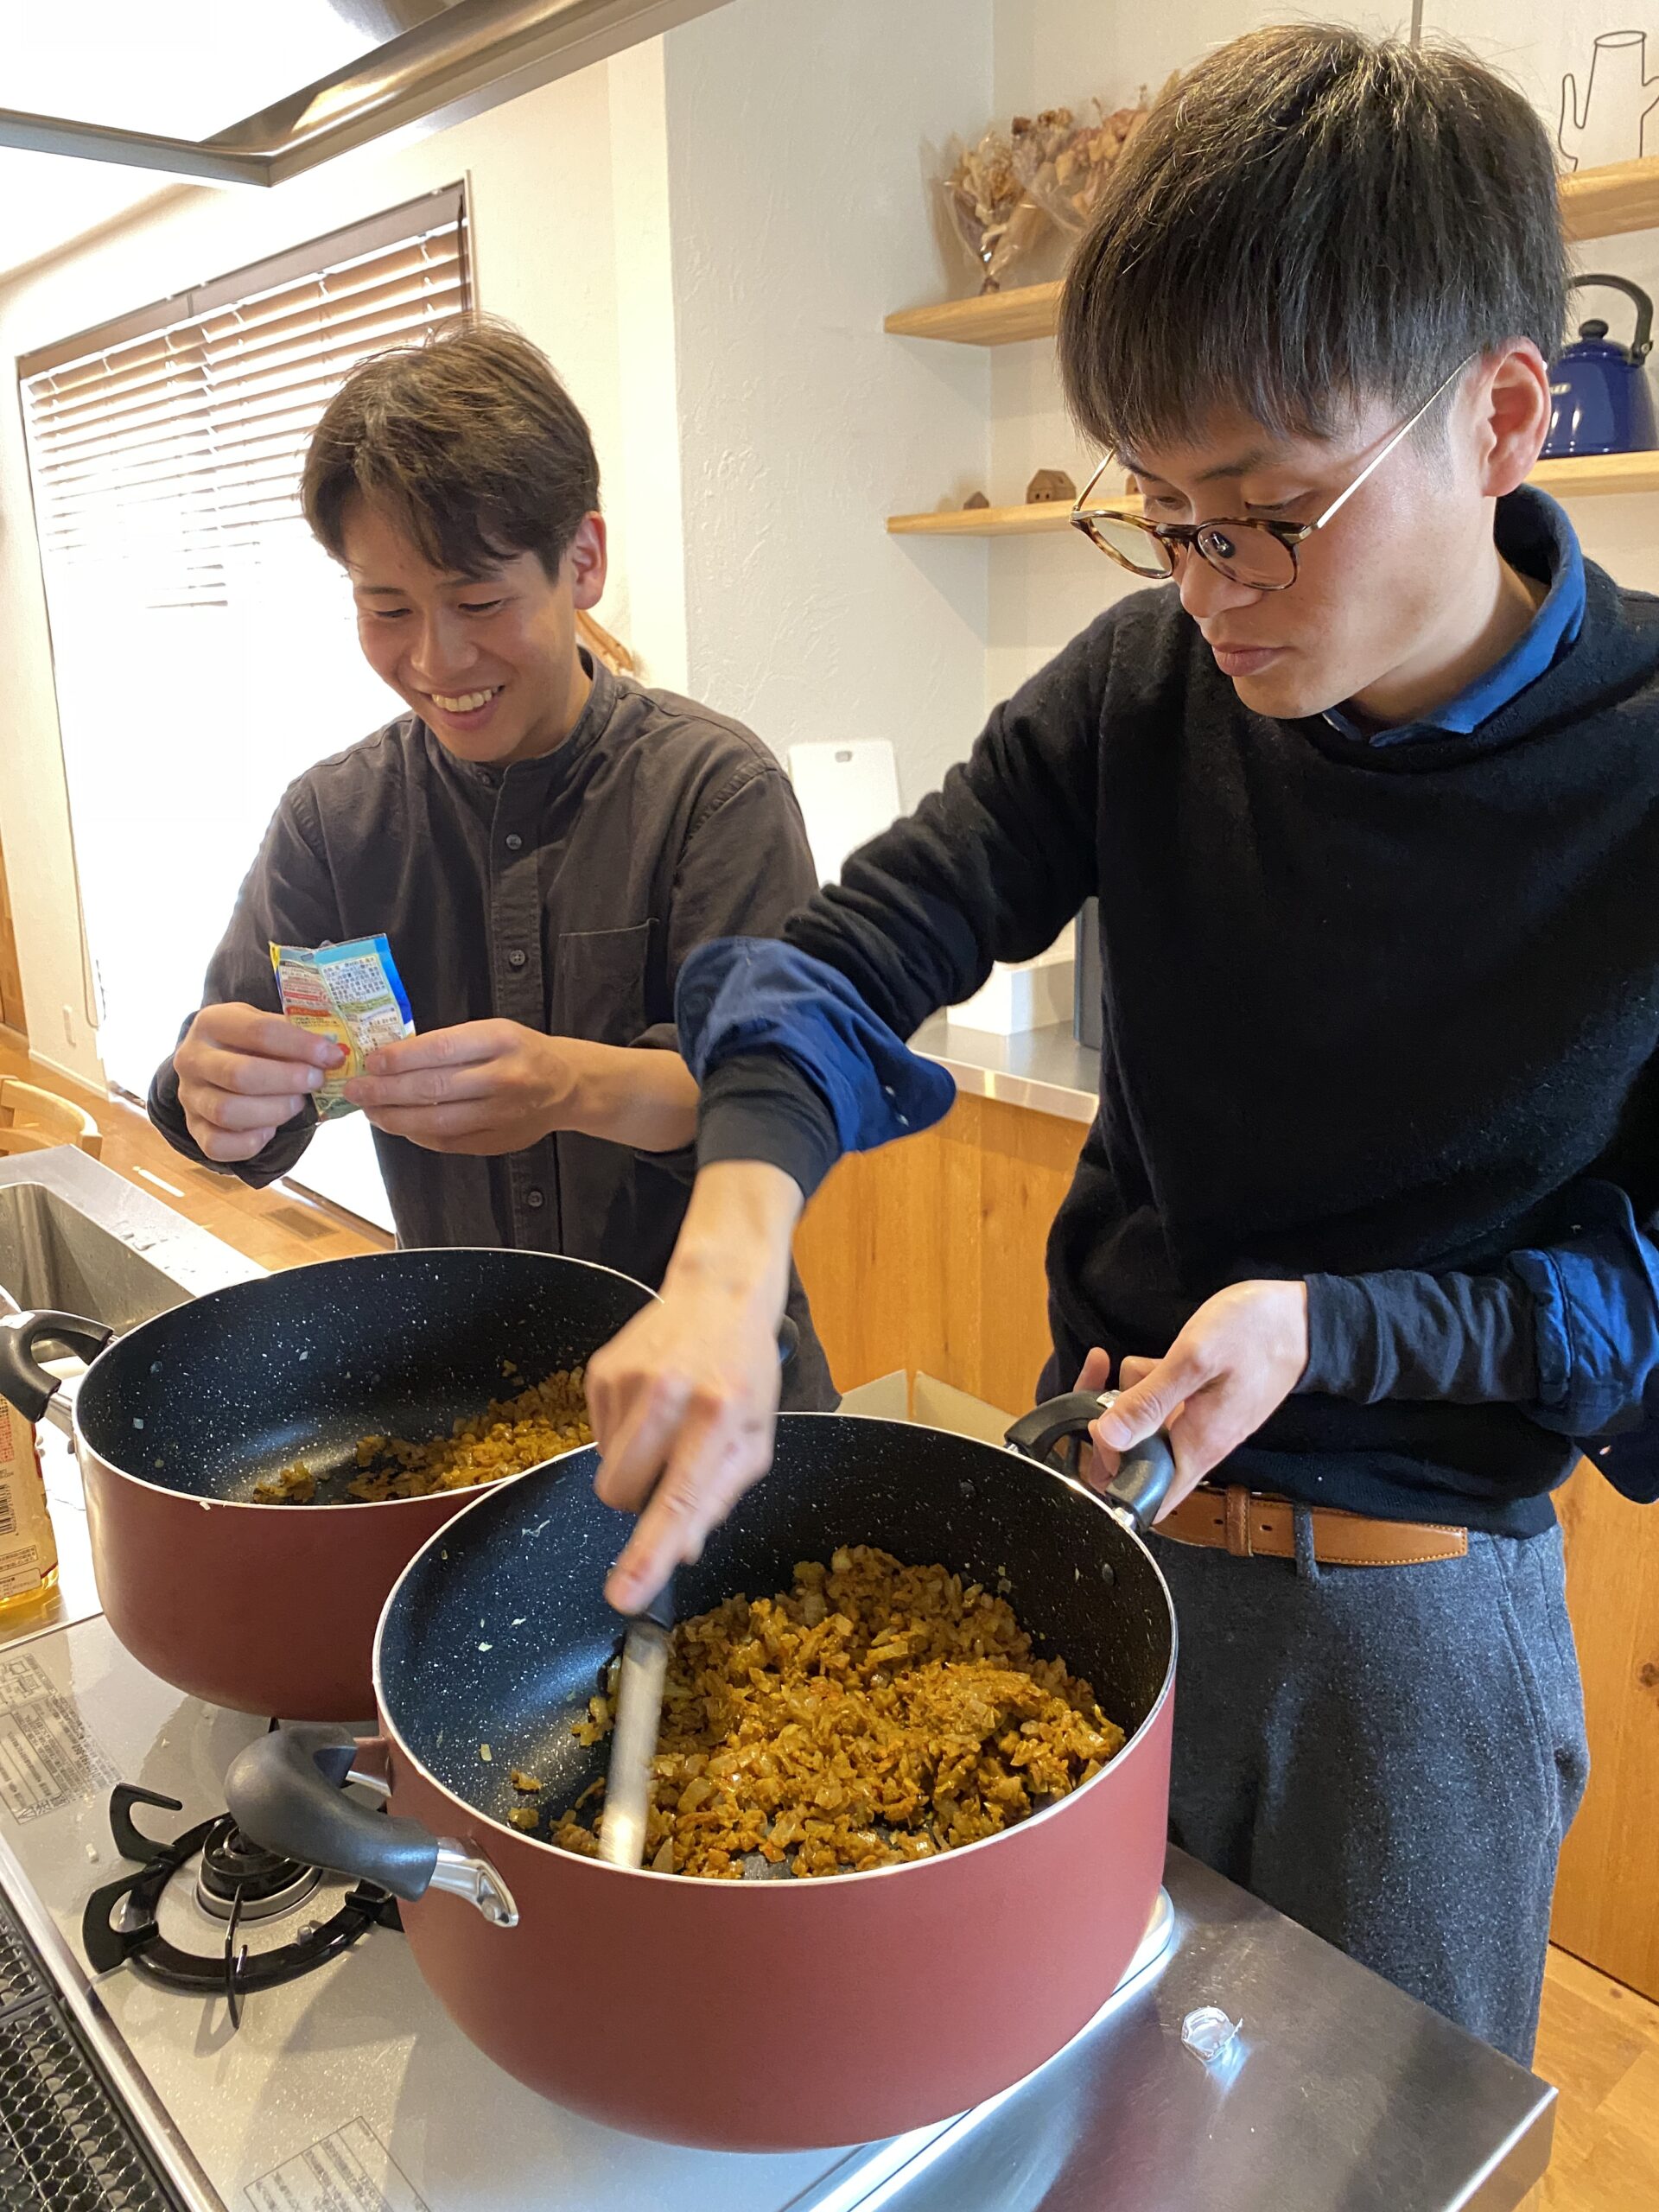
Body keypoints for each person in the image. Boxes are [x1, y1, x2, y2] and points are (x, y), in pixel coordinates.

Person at [582, 26, 1659, 2064]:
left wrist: (1328, 1330)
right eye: (1157, 514)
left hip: (1407, 1631)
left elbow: (1642, 1296)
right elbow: (852, 946)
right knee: (1054, 2103)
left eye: (1264, 509)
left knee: (1366, 2149)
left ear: (1502, 414)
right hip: (1089, 1513)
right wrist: (727, 1254)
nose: (1209, 588)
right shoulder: (1140, 679)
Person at [148, 318, 834, 1408]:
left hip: (721, 1400)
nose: (436, 659)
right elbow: (243, 1107)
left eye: (478, 603)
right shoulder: (334, 823)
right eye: (386, 609)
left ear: (584, 560)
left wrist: (570, 1084)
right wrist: (213, 1093)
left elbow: (785, 1096)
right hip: (470, 1405)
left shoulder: (716, 793)